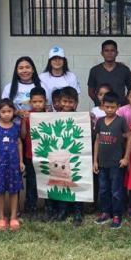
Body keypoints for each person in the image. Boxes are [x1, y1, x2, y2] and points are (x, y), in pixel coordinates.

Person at [93, 92, 131, 229]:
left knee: (116, 190)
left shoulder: (121, 121)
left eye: (113, 107)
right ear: (102, 106)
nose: (110, 109)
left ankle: (117, 215)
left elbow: (129, 138)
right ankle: (106, 212)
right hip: (102, 163)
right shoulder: (99, 121)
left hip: (117, 163)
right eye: (107, 107)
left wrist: (126, 158)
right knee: (103, 189)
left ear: (118, 107)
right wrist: (95, 161)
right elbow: (97, 140)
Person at [0, 100, 25, 232]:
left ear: (13, 112)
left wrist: (21, 161)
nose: (6, 114)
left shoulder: (16, 127)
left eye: (9, 111)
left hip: (13, 164)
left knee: (14, 191)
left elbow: (19, 143)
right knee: (0, 191)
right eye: (3, 112)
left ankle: (13, 217)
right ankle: (1, 217)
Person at [54, 86, 85, 226]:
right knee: (61, 181)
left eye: (70, 102)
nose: (67, 104)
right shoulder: (53, 118)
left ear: (76, 103)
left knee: (77, 181)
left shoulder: (81, 118)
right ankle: (63, 210)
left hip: (76, 156)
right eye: (64, 101)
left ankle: (78, 211)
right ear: (59, 101)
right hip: (59, 157)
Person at [20, 86, 47, 217]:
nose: (37, 104)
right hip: (30, 154)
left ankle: (49, 206)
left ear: (45, 101)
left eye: (40, 101)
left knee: (47, 180)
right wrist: (24, 121)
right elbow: (23, 136)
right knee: (31, 181)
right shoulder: (27, 116)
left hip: (47, 155)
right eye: (34, 102)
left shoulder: (49, 115)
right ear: (30, 102)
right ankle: (30, 206)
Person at [87, 39, 131, 106]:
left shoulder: (124, 70)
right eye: (106, 51)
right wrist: (99, 103)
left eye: (112, 50)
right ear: (102, 53)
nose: (109, 53)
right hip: (101, 108)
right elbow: (90, 92)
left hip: (120, 108)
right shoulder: (95, 70)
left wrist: (123, 103)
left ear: (117, 53)